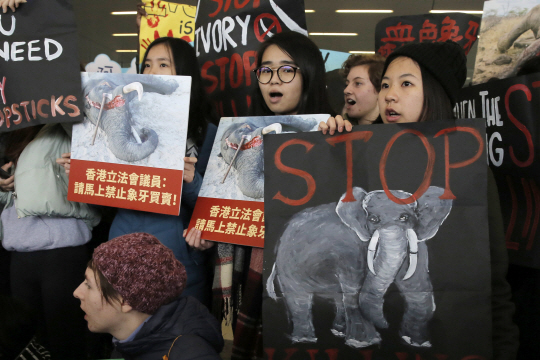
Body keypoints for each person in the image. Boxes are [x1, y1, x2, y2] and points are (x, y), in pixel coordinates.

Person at [328, 40, 519, 359]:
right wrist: (329, 149)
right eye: (385, 84)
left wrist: (504, 348)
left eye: (405, 84)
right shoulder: (359, 154)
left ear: (435, 92)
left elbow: (493, 280)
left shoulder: (468, 166)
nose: (389, 94)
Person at [184, 31, 336, 359]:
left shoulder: (335, 136)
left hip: (302, 278)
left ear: (308, 74)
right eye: (265, 70)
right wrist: (210, 233)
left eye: (286, 69)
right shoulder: (241, 134)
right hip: (241, 278)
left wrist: (342, 140)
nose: (273, 79)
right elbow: (229, 208)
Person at [58, 37, 218, 307]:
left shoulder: (206, 133)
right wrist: (85, 175)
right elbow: (104, 200)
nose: (152, 72)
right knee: (127, 336)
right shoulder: (120, 117)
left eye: (163, 64)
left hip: (177, 263)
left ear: (184, 72)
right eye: (147, 65)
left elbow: (215, 206)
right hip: (121, 252)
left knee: (180, 338)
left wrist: (190, 181)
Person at [0, 124, 101, 360]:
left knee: (67, 340)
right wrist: (4, 185)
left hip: (61, 250)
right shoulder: (19, 126)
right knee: (31, 342)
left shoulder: (70, 125)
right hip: (19, 249)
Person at [73, 232, 224, 360]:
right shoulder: (128, 342)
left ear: (126, 300)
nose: (76, 293)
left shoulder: (190, 354)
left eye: (89, 285)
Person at [341, 54, 385, 125]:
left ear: (380, 89)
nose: (346, 90)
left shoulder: (396, 134)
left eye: (358, 83)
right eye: (347, 84)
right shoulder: (340, 129)